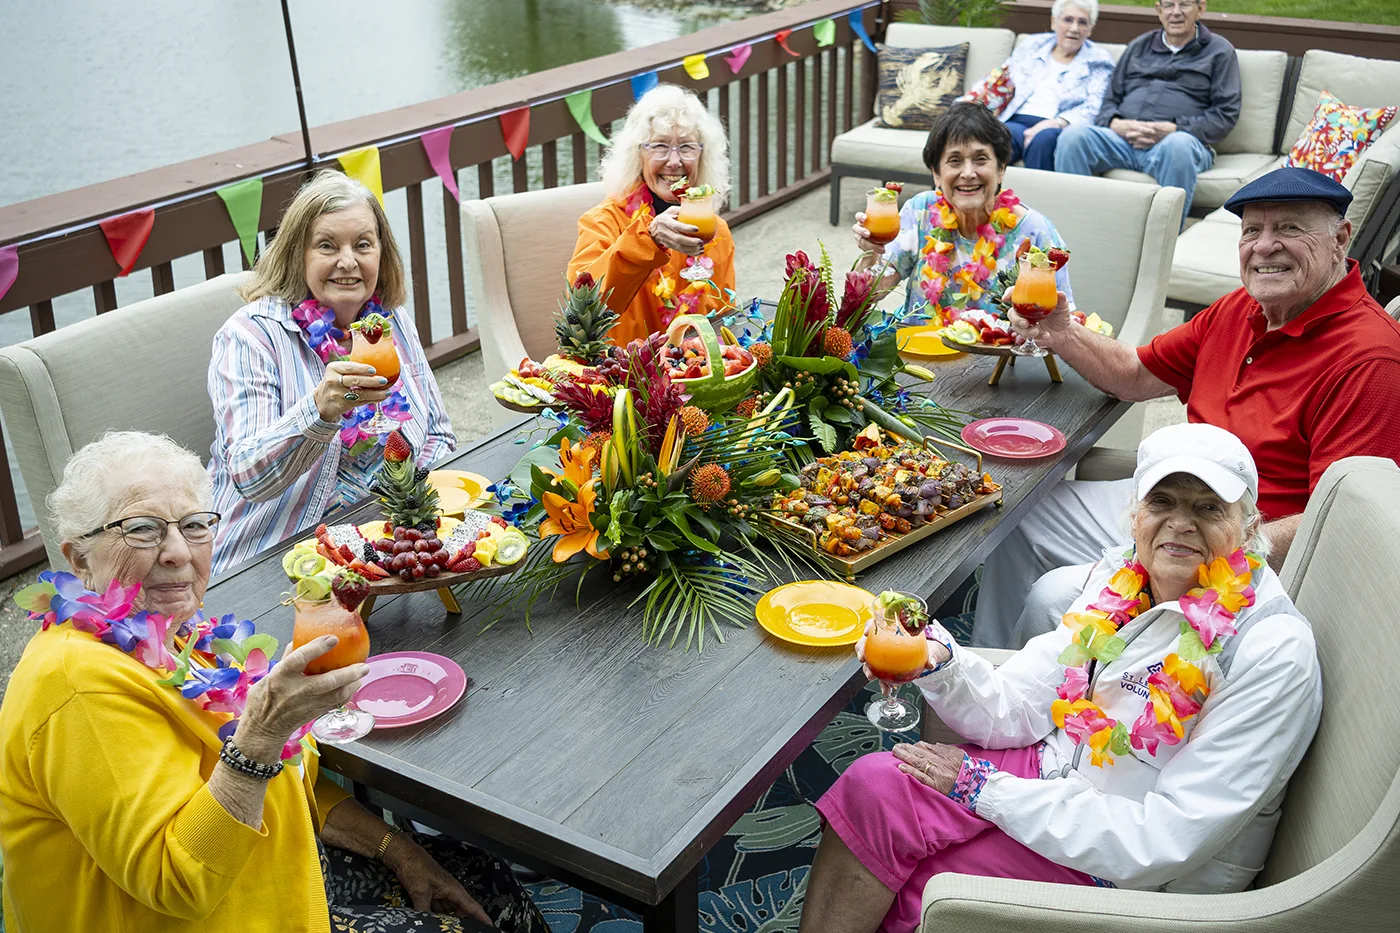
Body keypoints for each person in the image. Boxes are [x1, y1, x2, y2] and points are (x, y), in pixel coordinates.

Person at [0, 432, 546, 932]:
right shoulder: (76, 685)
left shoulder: (185, 642)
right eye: (141, 529)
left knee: (488, 883)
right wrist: (262, 733)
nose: (177, 552)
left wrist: (396, 849)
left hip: (282, 878)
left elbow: (289, 787)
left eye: (194, 525)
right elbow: (179, 880)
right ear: (78, 559)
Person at [799, 423, 1322, 933]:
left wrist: (985, 791)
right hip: (1056, 769)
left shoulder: (1270, 651)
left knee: (935, 889)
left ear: (1251, 528)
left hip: (1130, 867)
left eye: (1208, 508)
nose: (1180, 524)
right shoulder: (1122, 577)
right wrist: (937, 662)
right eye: (1162, 502)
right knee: (872, 788)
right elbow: (1020, 703)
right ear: (1135, 514)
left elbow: (1165, 840)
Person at [973, 166, 1400, 649]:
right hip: (1173, 501)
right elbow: (1135, 374)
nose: (1264, 246)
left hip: (1247, 544)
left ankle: (1062, 702)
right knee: (1017, 515)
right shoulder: (1240, 309)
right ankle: (993, 666)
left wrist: (1201, 549)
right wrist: (1062, 332)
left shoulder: (1370, 359)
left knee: (1052, 598)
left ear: (1341, 238)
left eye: (1289, 229)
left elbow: (1340, 523)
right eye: (1252, 231)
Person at [207, 170, 455, 575]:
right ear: (296, 254)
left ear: (381, 253)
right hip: (274, 558)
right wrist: (319, 413)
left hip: (384, 549)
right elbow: (248, 477)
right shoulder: (249, 337)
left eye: (363, 244)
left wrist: (419, 517)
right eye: (326, 245)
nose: (348, 261)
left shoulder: (390, 321)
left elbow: (439, 435)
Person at [852, 102, 1074, 325]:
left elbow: (1061, 325)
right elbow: (870, 296)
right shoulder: (920, 212)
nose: (968, 173)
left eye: (980, 159)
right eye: (954, 160)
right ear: (936, 174)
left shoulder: (1035, 233)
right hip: (917, 352)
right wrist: (872, 252)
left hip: (996, 358)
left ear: (1001, 169)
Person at [568, 83, 735, 346]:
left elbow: (726, 320)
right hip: (626, 374)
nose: (674, 161)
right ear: (638, 154)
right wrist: (649, 239)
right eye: (659, 146)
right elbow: (582, 313)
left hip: (697, 373)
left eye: (687, 147)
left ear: (703, 156)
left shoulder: (716, 231)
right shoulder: (602, 222)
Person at [1054, 0, 1240, 223]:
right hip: (1122, 140)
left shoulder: (1219, 51)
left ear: (1200, 8)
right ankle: (1073, 226)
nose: (1176, 12)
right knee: (1073, 137)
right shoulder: (1138, 46)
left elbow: (1225, 114)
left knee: (1178, 145)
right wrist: (1115, 123)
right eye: (1169, 5)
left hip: (1171, 144)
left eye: (1185, 5)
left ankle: (1164, 241)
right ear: (1158, 10)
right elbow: (1109, 100)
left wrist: (1174, 128)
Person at [983, 0, 1115, 170]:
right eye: (1068, 20)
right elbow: (1002, 79)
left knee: (1044, 141)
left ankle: (1036, 196)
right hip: (1017, 118)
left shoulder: (1099, 60)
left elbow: (1095, 106)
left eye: (1082, 22)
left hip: (1059, 125)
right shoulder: (1032, 45)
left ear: (1090, 29)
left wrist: (1055, 123)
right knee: (1001, 136)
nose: (1074, 28)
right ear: (1054, 22)